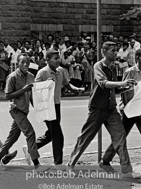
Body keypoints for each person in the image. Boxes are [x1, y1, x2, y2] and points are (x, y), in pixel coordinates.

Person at [67, 42, 140, 178]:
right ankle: (70, 164)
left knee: (120, 136)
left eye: (116, 51)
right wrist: (122, 83)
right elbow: (103, 83)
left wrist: (127, 87)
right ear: (103, 52)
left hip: (111, 108)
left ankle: (126, 170)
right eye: (113, 51)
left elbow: (115, 89)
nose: (115, 54)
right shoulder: (98, 66)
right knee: (86, 137)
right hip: (98, 108)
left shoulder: (113, 67)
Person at [28, 50, 83, 165]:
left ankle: (32, 148)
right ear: (47, 60)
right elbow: (35, 91)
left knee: (52, 133)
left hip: (57, 105)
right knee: (58, 136)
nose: (58, 61)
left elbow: (67, 84)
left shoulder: (61, 71)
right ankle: (58, 163)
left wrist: (76, 89)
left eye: (59, 58)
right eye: (55, 58)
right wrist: (45, 85)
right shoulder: (42, 73)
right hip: (46, 107)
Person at [0, 54, 48, 171]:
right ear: (17, 63)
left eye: (27, 62)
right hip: (16, 110)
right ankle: (36, 164)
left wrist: (39, 109)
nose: (25, 65)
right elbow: (7, 95)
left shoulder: (31, 76)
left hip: (24, 110)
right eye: (22, 62)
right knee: (30, 133)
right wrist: (23, 90)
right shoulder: (12, 77)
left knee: (13, 136)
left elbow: (32, 95)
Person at [100, 48, 141, 174]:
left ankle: (105, 160)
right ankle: (106, 161)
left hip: (139, 110)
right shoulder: (130, 72)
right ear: (138, 58)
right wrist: (131, 109)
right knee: (120, 136)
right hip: (129, 110)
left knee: (120, 137)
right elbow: (125, 91)